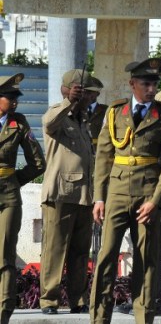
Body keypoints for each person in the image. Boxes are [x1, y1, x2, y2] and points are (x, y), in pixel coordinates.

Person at [89, 58, 161, 324]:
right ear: (132, 84)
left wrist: (156, 200)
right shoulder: (115, 112)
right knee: (106, 258)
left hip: (147, 195)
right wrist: (99, 197)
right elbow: (103, 157)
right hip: (116, 193)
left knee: (146, 262)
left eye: (154, 84)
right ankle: (99, 318)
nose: (151, 89)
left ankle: (144, 318)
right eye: (146, 83)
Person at [115, 87, 161, 317]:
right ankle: (147, 301)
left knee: (152, 254)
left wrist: (156, 202)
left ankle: (151, 301)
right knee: (148, 253)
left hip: (157, 202)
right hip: (152, 200)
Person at [40, 69, 94, 315]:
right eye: (81, 91)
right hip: (60, 194)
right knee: (54, 249)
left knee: (80, 252)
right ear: (68, 89)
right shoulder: (57, 113)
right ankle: (49, 300)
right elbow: (50, 124)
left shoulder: (83, 120)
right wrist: (68, 101)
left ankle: (78, 300)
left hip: (83, 195)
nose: (86, 96)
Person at [0, 73, 45, 323]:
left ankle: (3, 311)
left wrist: (15, 180)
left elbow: (38, 163)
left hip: (8, 195)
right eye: (9, 97)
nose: (15, 101)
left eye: (16, 97)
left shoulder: (19, 123)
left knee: (5, 254)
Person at [85, 76, 108, 147]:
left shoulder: (106, 110)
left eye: (91, 92)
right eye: (86, 91)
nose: (88, 94)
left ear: (98, 94)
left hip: (99, 150)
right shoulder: (77, 109)